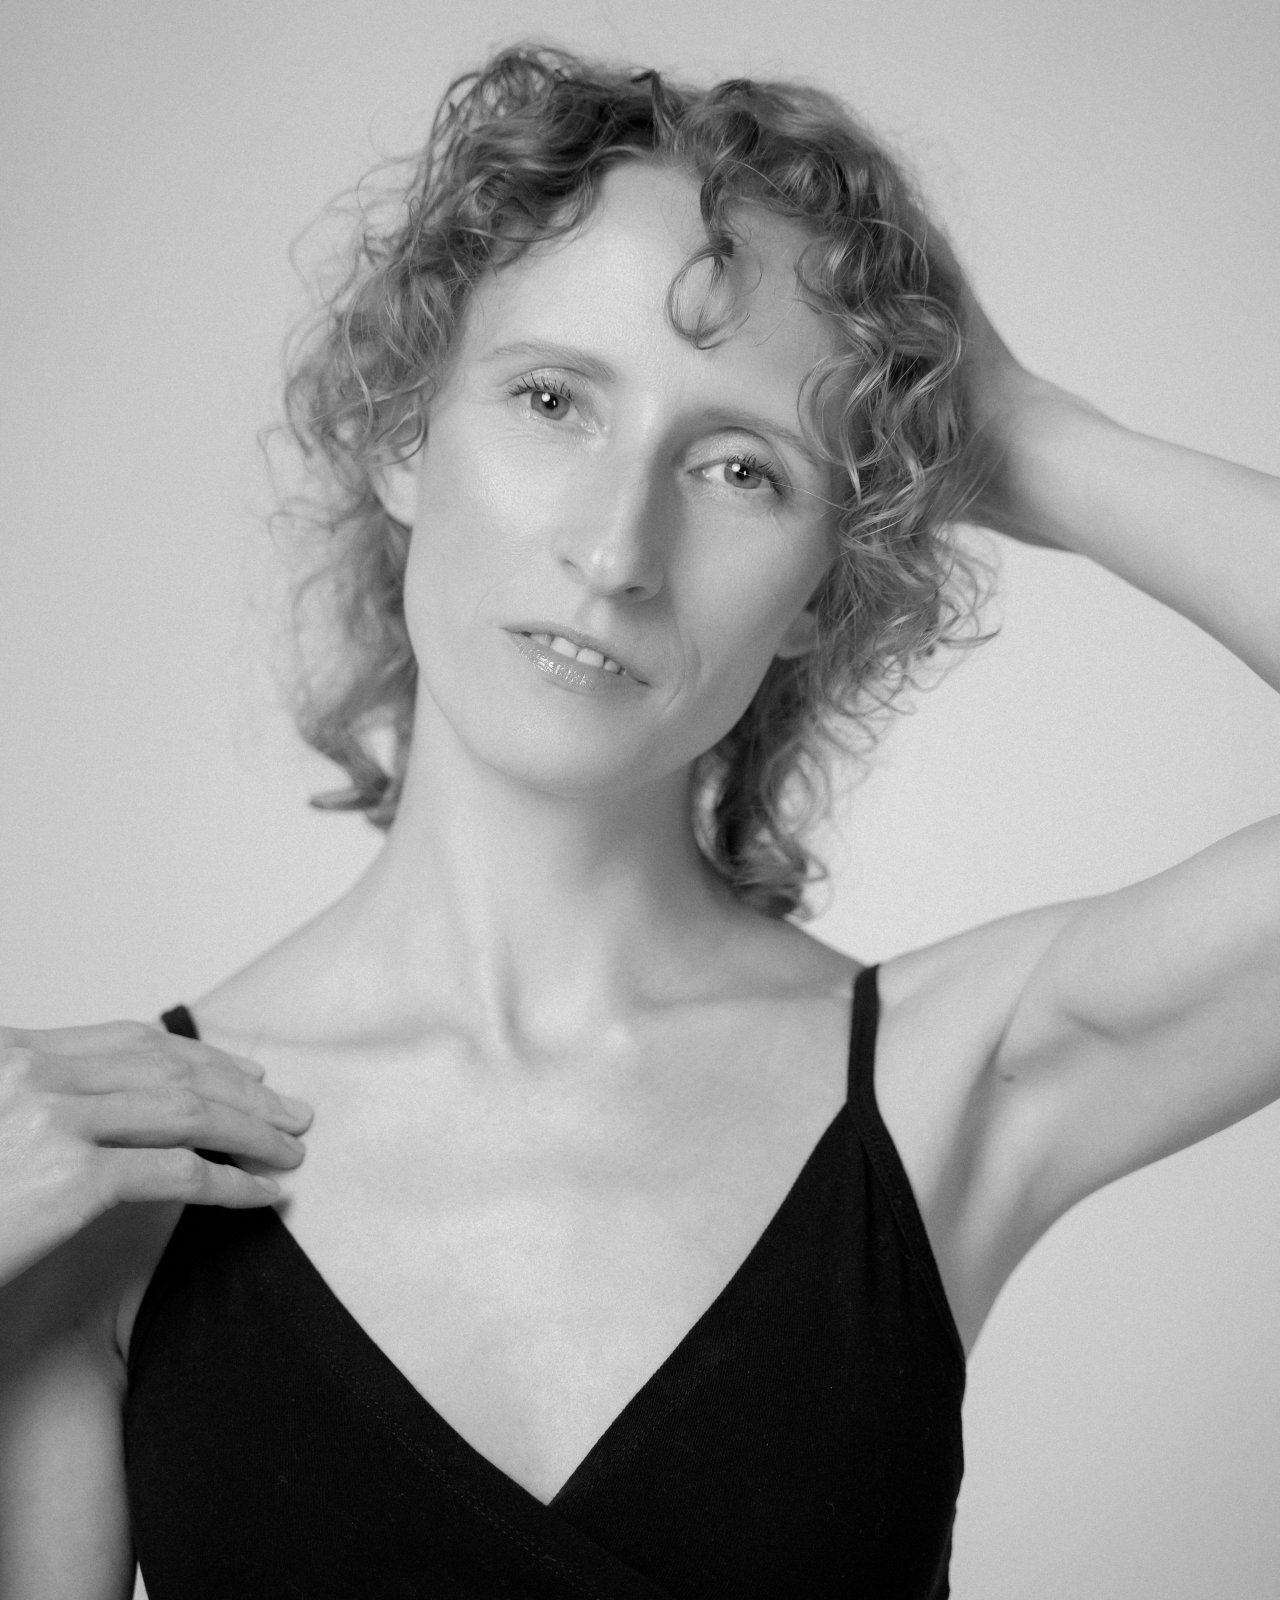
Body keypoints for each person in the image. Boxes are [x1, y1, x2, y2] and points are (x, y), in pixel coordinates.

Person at [1, 43, 1277, 1599]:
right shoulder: (108, 1173)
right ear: (403, 433)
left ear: (822, 585)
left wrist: (1017, 428)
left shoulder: (957, 1083)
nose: (618, 549)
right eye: (552, 400)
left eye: (742, 468)